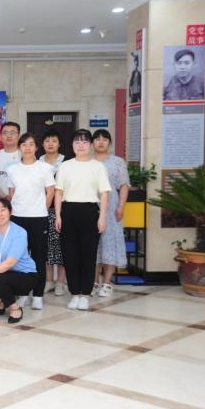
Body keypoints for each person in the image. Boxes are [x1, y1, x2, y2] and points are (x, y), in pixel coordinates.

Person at [55, 129, 111, 311]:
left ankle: (85, 294)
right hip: (68, 211)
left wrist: (102, 217)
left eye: (85, 142)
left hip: (90, 211)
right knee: (70, 255)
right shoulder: (65, 166)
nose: (81, 145)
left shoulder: (98, 167)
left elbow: (104, 194)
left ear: (90, 145)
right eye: (77, 142)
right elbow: (59, 192)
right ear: (72, 145)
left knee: (88, 254)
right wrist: (58, 215)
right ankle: (74, 293)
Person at [6, 133, 54, 310]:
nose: (27, 148)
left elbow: (50, 191)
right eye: (24, 144)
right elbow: (12, 193)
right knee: (20, 258)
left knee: (39, 258)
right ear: (19, 147)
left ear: (36, 147)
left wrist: (42, 209)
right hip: (18, 217)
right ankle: (24, 294)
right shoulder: (12, 169)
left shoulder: (45, 168)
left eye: (31, 144)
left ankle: (38, 295)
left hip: (39, 218)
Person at [93, 129, 130, 297]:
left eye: (105, 139)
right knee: (93, 245)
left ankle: (107, 283)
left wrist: (121, 206)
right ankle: (94, 281)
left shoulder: (117, 162)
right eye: (97, 139)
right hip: (91, 205)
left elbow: (124, 185)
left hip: (112, 206)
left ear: (109, 142)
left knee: (110, 243)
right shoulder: (87, 161)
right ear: (92, 143)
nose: (101, 142)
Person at [39, 129, 68, 296]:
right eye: (47, 141)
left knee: (62, 247)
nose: (50, 144)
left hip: (61, 210)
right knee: (46, 247)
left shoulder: (66, 162)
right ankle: (49, 281)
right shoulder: (38, 161)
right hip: (41, 210)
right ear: (42, 144)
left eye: (54, 141)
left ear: (59, 144)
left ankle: (61, 282)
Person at [0, 122, 21, 198]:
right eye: (5, 133)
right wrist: (5, 197)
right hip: (0, 200)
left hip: (22, 200)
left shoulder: (24, 155)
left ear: (19, 136)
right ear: (0, 137)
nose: (9, 136)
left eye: (12, 133)